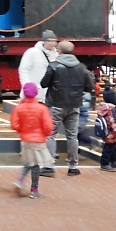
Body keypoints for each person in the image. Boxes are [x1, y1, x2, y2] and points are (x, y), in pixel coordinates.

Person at [40, 40, 93, 178]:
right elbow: (90, 87)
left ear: (60, 51)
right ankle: (73, 167)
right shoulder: (82, 67)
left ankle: (49, 166)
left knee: (50, 134)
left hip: (56, 105)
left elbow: (43, 83)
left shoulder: (54, 66)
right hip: (74, 106)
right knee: (72, 136)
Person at [10, 82, 54, 198]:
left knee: (29, 162)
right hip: (39, 140)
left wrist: (23, 130)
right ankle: (33, 189)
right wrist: (45, 134)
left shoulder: (18, 108)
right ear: (36, 94)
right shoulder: (42, 108)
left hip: (25, 139)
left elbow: (15, 125)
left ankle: (20, 180)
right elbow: (48, 126)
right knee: (36, 165)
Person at [18, 31, 58, 104]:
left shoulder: (56, 54)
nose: (52, 43)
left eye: (54, 41)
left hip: (49, 96)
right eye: (49, 41)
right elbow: (23, 70)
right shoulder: (32, 52)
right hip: (33, 94)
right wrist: (27, 87)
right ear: (44, 41)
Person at [96, 88, 116, 173]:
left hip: (105, 130)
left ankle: (113, 161)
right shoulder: (112, 109)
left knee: (111, 146)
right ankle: (104, 163)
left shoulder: (103, 108)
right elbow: (114, 122)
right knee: (109, 147)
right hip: (112, 131)